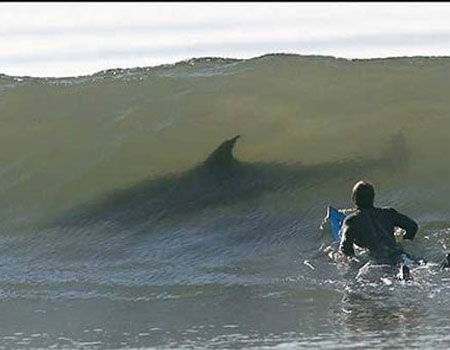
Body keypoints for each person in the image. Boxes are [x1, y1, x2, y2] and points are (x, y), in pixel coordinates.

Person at [339, 181, 418, 273]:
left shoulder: (351, 220)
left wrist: (354, 263)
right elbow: (412, 226)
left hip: (377, 260)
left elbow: (345, 247)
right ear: (373, 198)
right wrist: (403, 241)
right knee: (405, 266)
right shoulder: (388, 213)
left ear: (354, 199)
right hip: (398, 253)